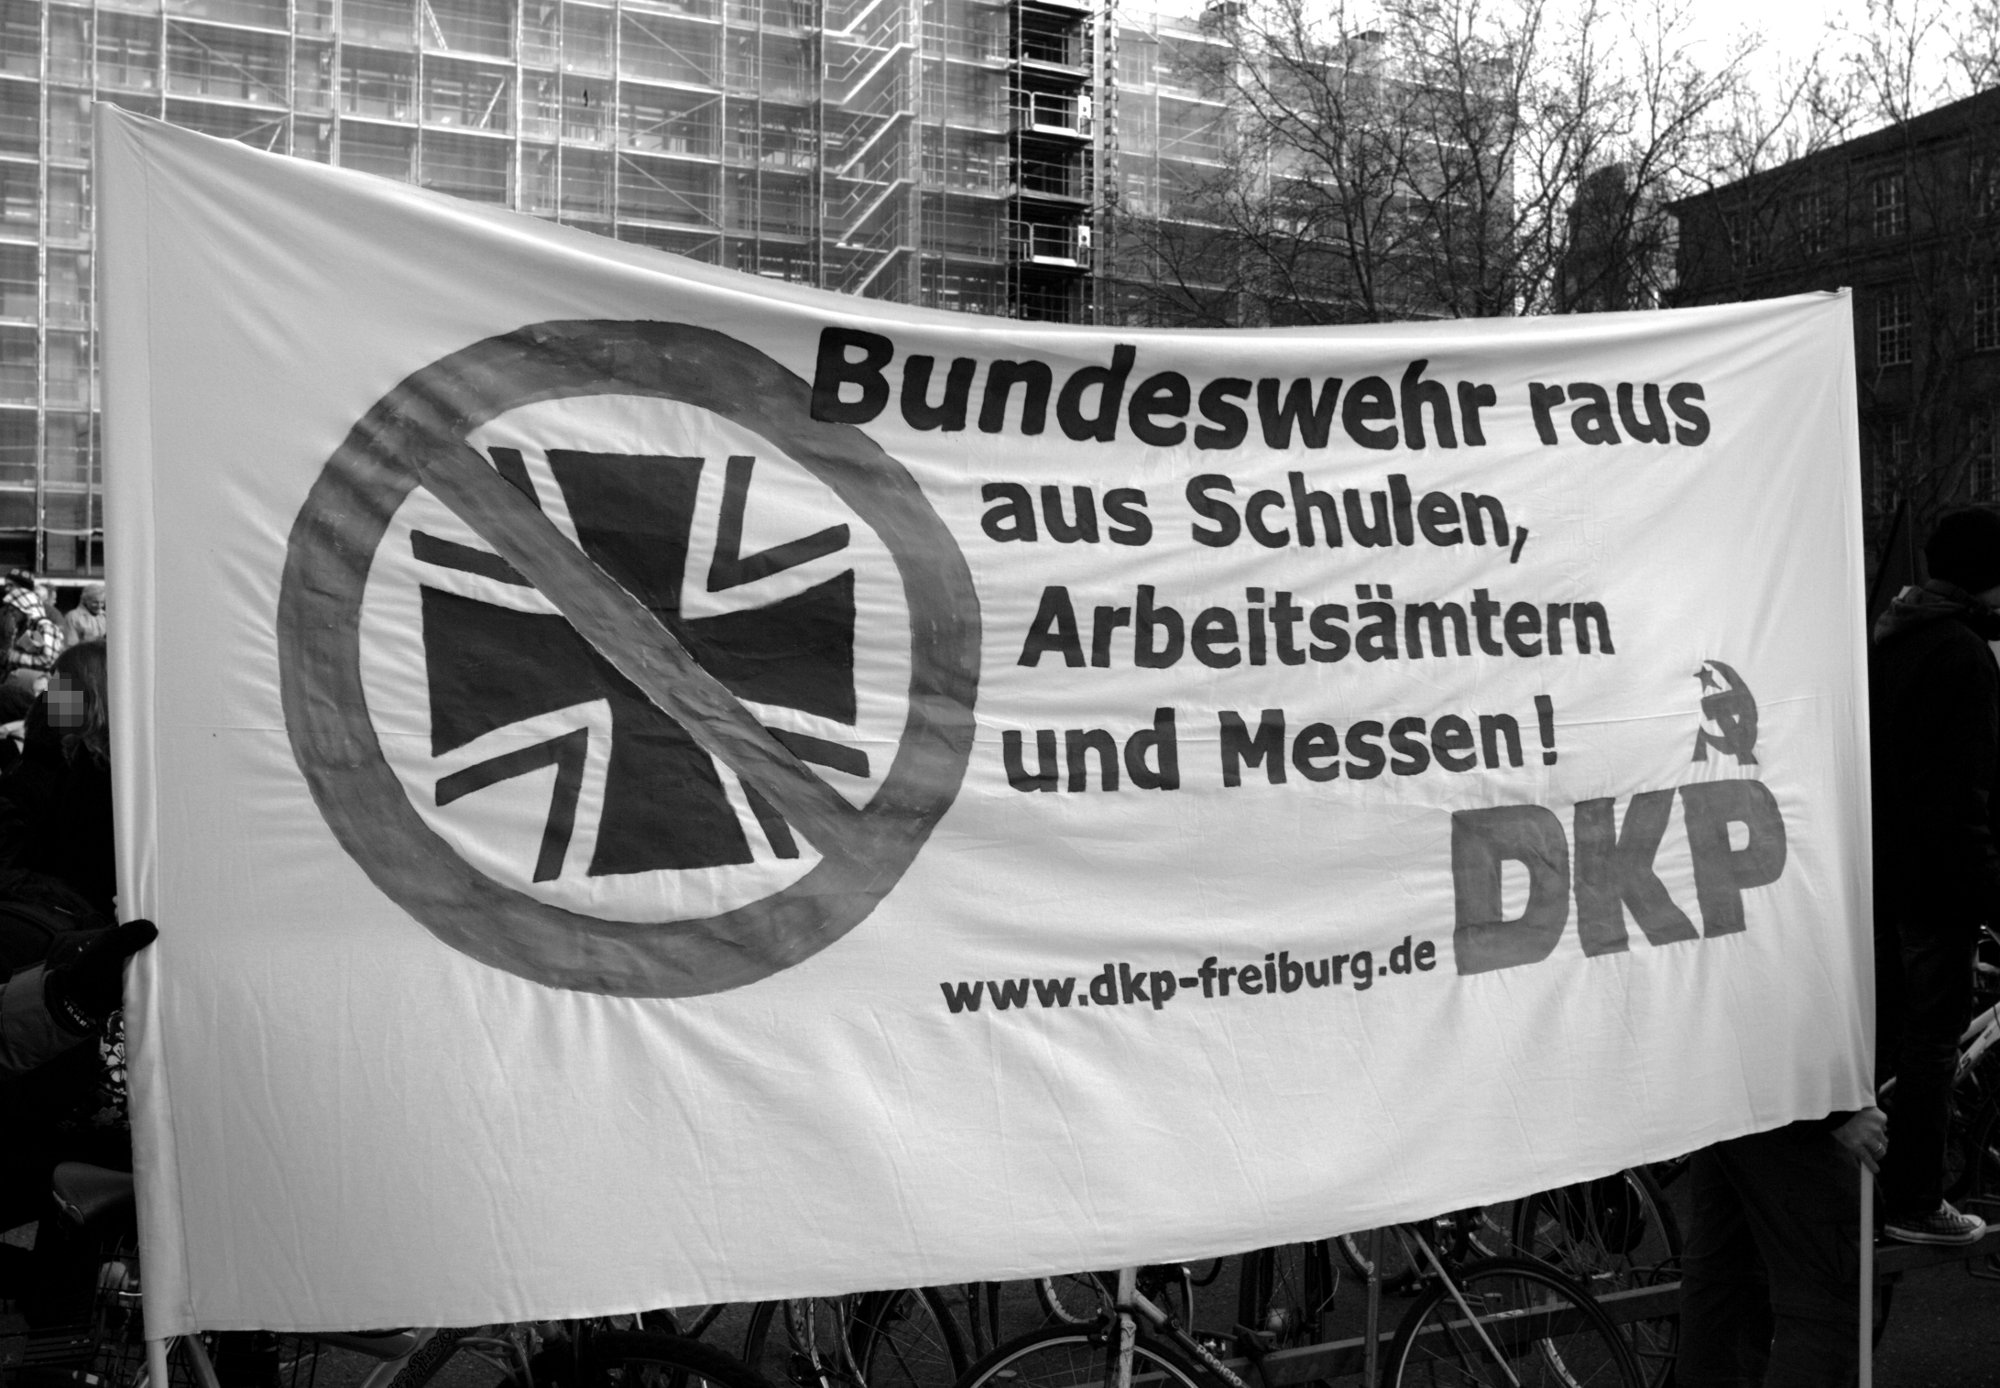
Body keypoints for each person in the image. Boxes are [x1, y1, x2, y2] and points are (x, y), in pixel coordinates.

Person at [1870, 505, 2000, 1245]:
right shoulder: (1962, 655)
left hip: (1881, 873)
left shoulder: (1893, 636)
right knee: (1933, 1041)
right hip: (1935, 885)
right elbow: (1963, 796)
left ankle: (1875, 1186)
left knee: (1893, 1037)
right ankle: (1915, 1200)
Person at [1677, 1107, 1887, 1387]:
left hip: (1722, 1099)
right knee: (1828, 1299)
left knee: (1728, 1280)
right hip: (1792, 1104)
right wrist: (1838, 1112)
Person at [0, 639, 114, 918]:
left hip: (82, 910)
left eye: (59, 689)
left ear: (89, 695)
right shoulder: (79, 758)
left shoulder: (105, 773)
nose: (49, 699)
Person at [2, 570, 63, 701]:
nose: (12, 614)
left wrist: (14, 657)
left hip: (50, 686)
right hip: (35, 684)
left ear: (24, 609)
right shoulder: (26, 628)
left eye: (14, 610)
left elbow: (48, 660)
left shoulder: (45, 626)